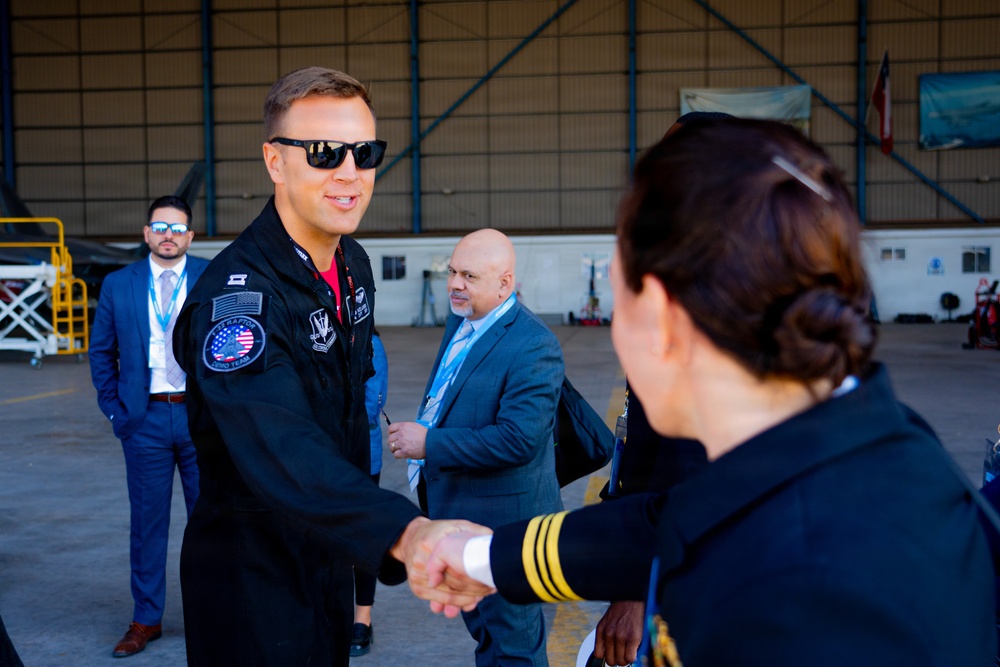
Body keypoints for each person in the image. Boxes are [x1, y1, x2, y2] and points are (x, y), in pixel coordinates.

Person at [408, 118, 997, 666]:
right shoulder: (862, 443)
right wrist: (481, 557)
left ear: (662, 320)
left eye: (621, 300)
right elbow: (672, 521)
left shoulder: (797, 597)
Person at [172, 67, 476, 667]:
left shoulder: (352, 264)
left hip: (331, 550)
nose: (349, 173)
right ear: (275, 161)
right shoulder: (239, 301)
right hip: (255, 575)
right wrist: (406, 531)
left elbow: (349, 408)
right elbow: (281, 442)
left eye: (365, 153)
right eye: (323, 153)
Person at [387, 228, 564, 667]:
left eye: (468, 276)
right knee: (488, 636)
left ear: (505, 283)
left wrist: (429, 443)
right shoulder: (462, 320)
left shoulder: (533, 344)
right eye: (452, 272)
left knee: (514, 649)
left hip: (507, 526)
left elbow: (519, 439)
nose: (454, 284)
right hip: (462, 513)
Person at [88, 195, 208, 658]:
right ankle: (145, 619)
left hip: (200, 419)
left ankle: (210, 615)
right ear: (146, 233)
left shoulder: (211, 277)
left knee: (209, 522)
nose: (168, 236)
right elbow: (101, 353)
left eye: (177, 228)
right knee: (147, 525)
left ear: (190, 236)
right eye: (160, 227)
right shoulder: (120, 284)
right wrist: (117, 411)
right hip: (145, 420)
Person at [351, 327, 388, 658]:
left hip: (361, 452)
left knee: (362, 536)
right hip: (321, 454)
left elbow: (371, 406)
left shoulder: (369, 342)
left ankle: (362, 617)